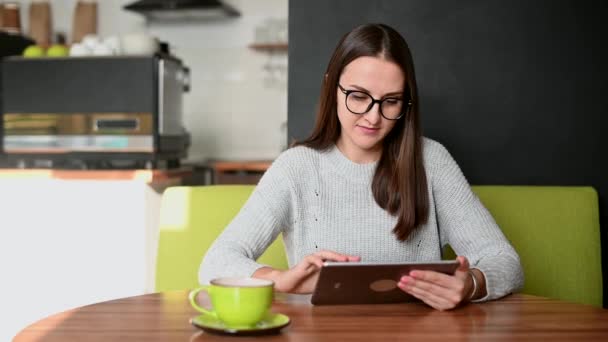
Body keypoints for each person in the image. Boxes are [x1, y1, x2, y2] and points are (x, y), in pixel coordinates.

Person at [199, 23, 523, 310]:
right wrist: (280, 279)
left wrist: (471, 285)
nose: (373, 117)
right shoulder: (296, 167)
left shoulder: (431, 161)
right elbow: (216, 261)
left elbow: (505, 261)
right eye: (358, 96)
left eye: (391, 101)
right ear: (332, 87)